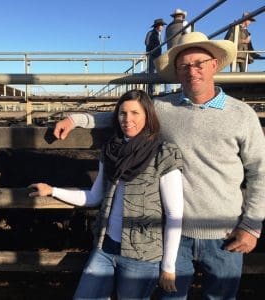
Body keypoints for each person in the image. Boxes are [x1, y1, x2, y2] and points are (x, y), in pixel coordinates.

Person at [53, 31, 265, 299]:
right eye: (184, 65)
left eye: (199, 63)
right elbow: (123, 114)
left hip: (224, 231)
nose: (192, 71)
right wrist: (76, 119)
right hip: (172, 233)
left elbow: (260, 171)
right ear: (177, 71)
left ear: (214, 65)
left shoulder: (242, 115)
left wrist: (251, 226)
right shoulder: (164, 108)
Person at [29, 89, 184, 299]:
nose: (127, 119)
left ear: (148, 115)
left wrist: (168, 266)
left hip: (142, 254)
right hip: (106, 246)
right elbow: (94, 197)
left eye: (135, 113)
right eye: (122, 113)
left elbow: (174, 214)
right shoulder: (111, 151)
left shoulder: (164, 153)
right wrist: (52, 190)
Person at [145, 18, 167, 95]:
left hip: (158, 55)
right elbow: (147, 43)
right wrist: (153, 50)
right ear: (158, 26)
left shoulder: (158, 34)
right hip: (152, 55)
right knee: (151, 73)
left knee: (158, 72)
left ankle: (155, 90)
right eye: (162, 25)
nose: (163, 27)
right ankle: (150, 91)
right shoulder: (151, 33)